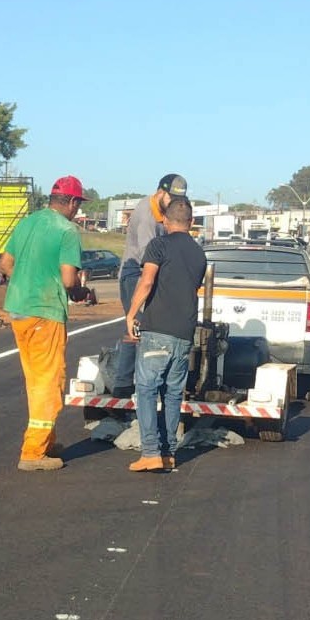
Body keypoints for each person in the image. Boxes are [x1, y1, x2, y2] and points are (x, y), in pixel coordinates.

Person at [0, 176, 86, 472]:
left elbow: (5, 264)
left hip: (19, 311)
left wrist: (26, 280)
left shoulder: (28, 222)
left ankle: (46, 441)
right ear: (71, 203)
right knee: (49, 381)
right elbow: (69, 279)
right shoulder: (67, 231)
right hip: (45, 312)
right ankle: (33, 451)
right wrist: (80, 293)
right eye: (78, 205)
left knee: (35, 379)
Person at [123, 196, 206, 473]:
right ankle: (169, 452)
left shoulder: (158, 245)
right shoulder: (199, 253)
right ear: (191, 223)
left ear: (166, 221)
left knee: (146, 390)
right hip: (184, 332)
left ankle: (150, 452)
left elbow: (147, 281)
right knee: (172, 393)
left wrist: (132, 313)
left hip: (158, 330)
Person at [112, 173, 189, 390]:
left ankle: (140, 381)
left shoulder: (163, 211)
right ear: (160, 192)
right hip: (135, 274)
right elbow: (150, 257)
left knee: (147, 327)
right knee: (136, 327)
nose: (173, 204)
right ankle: (123, 385)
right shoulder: (146, 214)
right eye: (171, 199)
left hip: (146, 273)